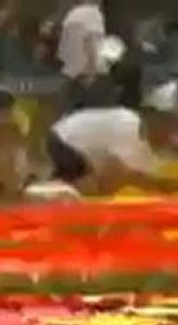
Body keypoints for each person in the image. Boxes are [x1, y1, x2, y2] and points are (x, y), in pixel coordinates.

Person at [46, 80, 178, 196]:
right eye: (171, 123)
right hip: (66, 138)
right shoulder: (127, 128)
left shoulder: (153, 154)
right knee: (85, 191)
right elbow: (112, 177)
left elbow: (137, 178)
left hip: (79, 147)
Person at [57, 0, 113, 109]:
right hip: (87, 79)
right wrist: (90, 74)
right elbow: (89, 42)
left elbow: (64, 52)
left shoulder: (72, 15)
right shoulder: (91, 14)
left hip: (71, 77)